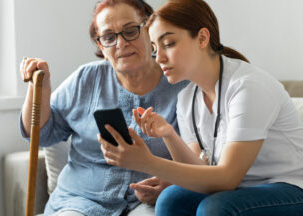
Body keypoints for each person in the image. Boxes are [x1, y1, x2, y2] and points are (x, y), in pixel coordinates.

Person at [97, 0, 303, 215]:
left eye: (168, 43)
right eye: (155, 48)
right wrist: (168, 134)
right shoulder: (187, 98)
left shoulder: (248, 87)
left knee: (215, 208)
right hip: (244, 191)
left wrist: (146, 162)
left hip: (301, 193)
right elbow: (199, 170)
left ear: (202, 38)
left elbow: (226, 179)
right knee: (171, 198)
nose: (158, 58)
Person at [19, 0, 188, 215]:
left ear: (150, 31)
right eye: (109, 37)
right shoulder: (85, 79)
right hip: (79, 201)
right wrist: (39, 91)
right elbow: (41, 136)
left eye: (130, 31)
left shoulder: (182, 85)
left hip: (147, 203)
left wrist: (174, 183)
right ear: (101, 46)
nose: (121, 43)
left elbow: (204, 159)